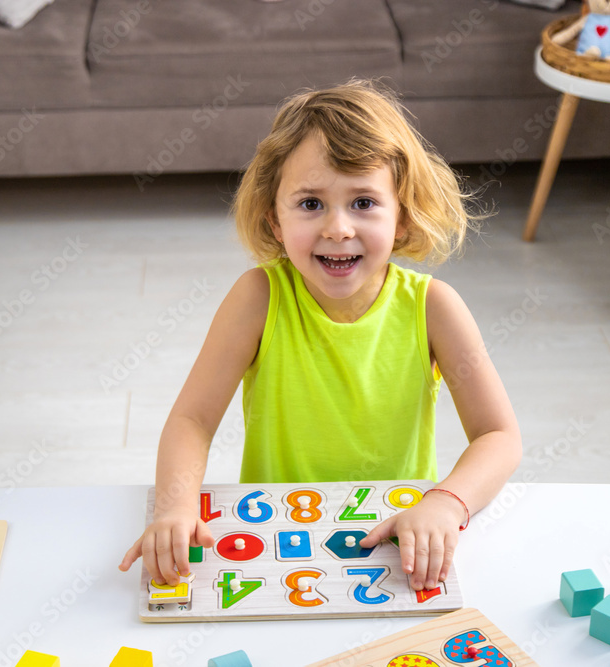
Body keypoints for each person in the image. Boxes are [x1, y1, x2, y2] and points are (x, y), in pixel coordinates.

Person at [119, 78, 521, 592]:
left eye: (364, 203)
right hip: (272, 544)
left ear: (402, 215)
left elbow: (499, 437)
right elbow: (193, 419)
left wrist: (446, 502)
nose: (338, 228)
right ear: (275, 218)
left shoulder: (434, 307)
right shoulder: (257, 298)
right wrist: (175, 508)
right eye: (310, 204)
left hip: (395, 544)